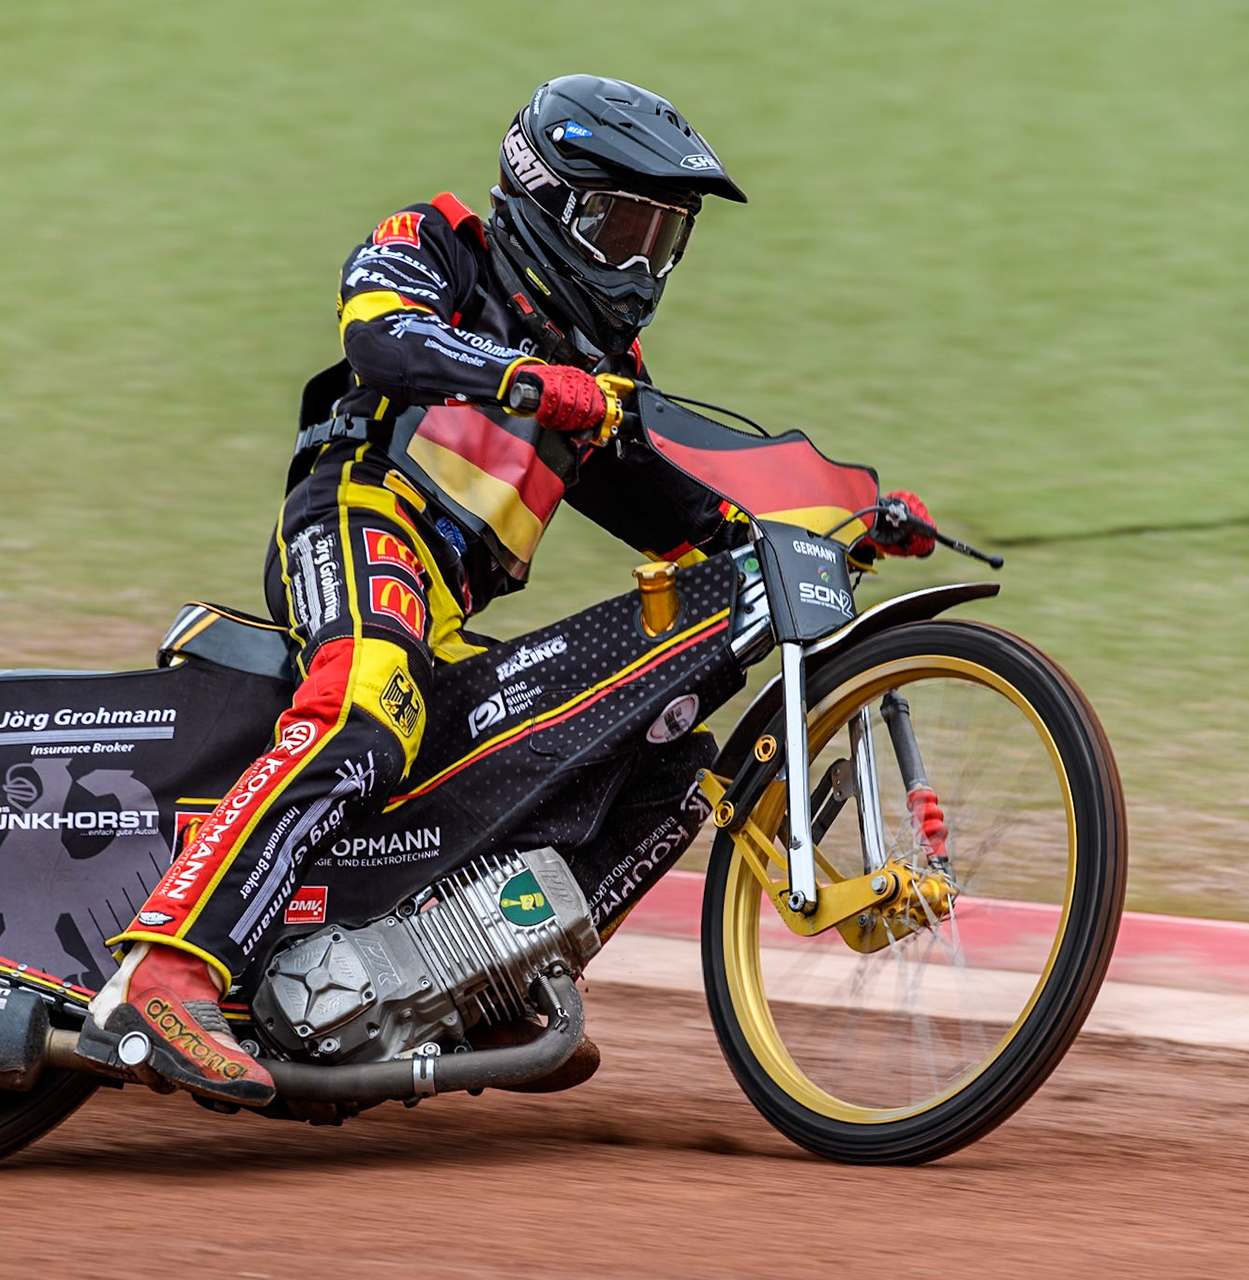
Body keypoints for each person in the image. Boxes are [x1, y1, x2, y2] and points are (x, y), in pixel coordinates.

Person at [87, 74, 934, 1105]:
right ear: (546, 198)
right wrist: (532, 381)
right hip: (357, 520)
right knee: (367, 706)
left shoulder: (606, 376)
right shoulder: (439, 241)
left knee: (656, 750)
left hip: (442, 611)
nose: (640, 265)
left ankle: (484, 979)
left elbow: (700, 517)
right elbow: (381, 336)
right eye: (621, 227)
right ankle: (162, 970)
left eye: (662, 239)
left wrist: (844, 522)